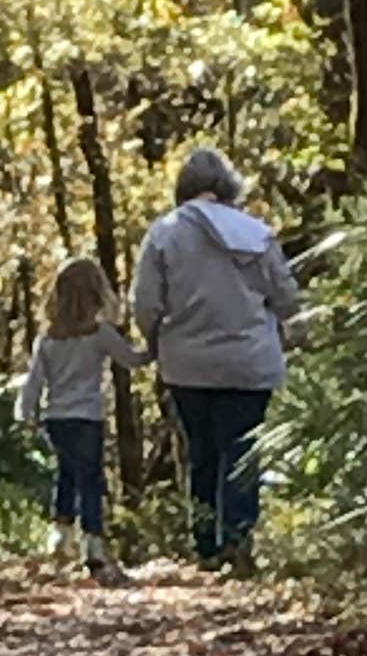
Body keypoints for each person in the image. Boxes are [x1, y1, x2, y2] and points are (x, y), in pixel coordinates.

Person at [130, 148, 304, 570]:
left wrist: (153, 341)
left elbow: (145, 303)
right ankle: (238, 541)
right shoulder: (256, 233)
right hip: (249, 363)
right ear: (228, 187)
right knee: (241, 451)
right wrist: (296, 335)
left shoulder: (163, 233)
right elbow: (286, 299)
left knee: (202, 451)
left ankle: (205, 543)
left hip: (186, 364)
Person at [18, 254, 147, 586]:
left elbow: (33, 383)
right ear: (96, 294)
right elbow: (131, 359)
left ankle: (61, 534)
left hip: (56, 418)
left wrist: (25, 414)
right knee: (90, 478)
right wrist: (158, 346)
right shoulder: (100, 334)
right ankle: (92, 543)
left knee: (66, 473)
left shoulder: (47, 340)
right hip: (87, 417)